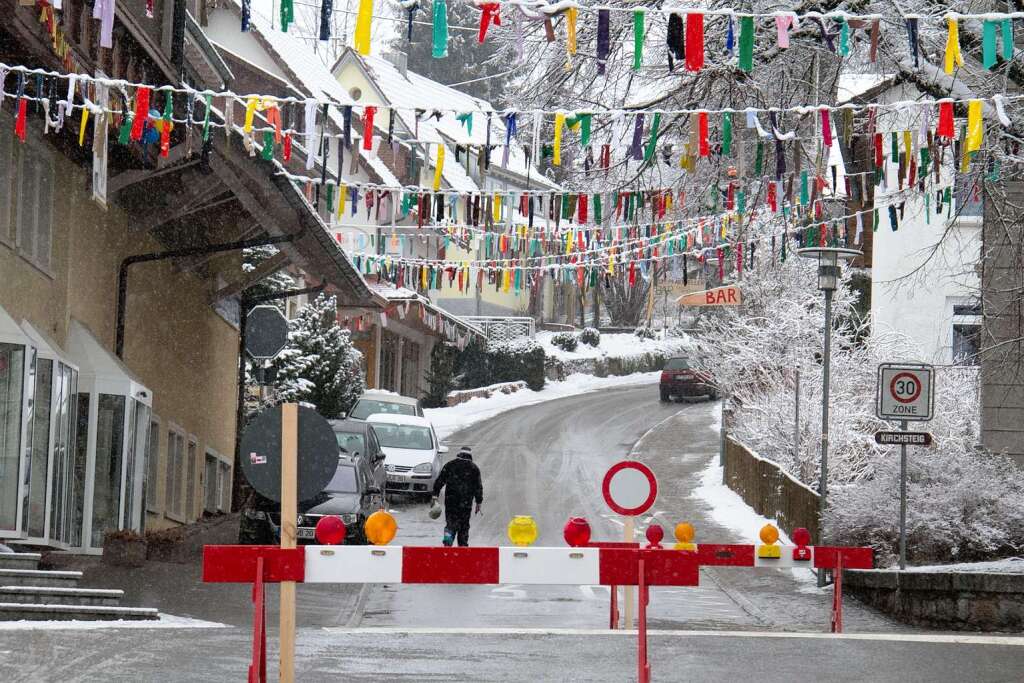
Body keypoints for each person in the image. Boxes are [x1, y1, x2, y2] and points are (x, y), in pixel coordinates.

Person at [431, 446, 483, 547]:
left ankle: (448, 541)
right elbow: (478, 487)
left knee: (451, 523)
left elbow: (439, 481)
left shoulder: (450, 465)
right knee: (464, 526)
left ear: (459, 454)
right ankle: (463, 546)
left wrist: (435, 495)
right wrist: (478, 502)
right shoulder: (474, 468)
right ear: (470, 455)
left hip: (451, 502)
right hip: (466, 504)